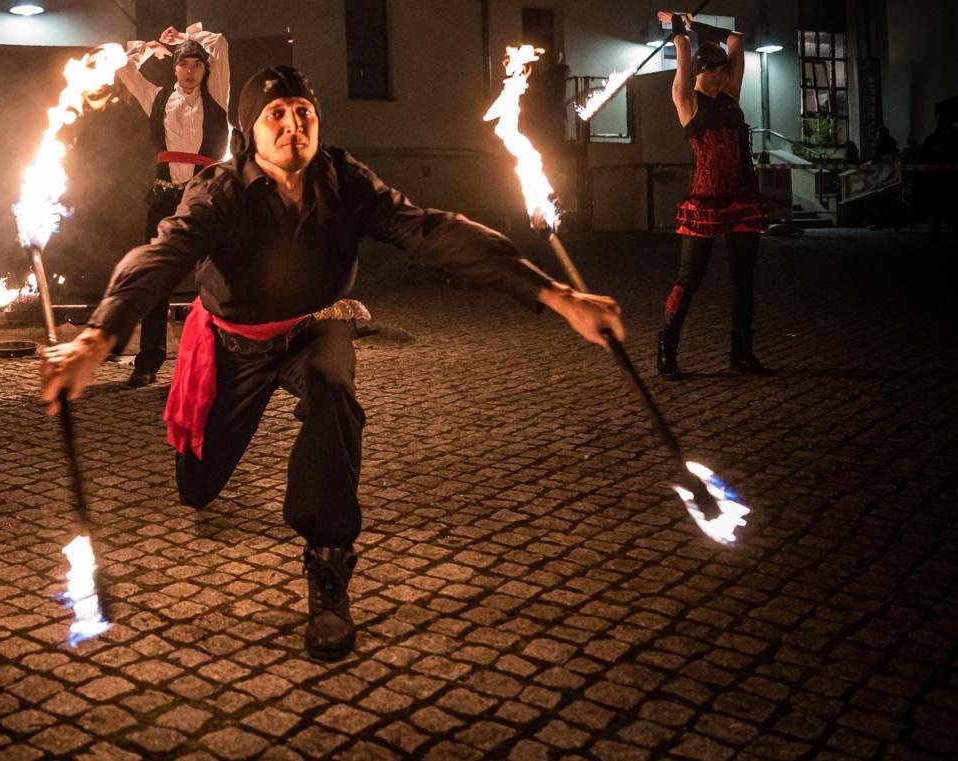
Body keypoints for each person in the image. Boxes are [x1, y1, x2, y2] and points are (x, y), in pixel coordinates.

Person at [39, 66, 625, 660]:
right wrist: (97, 337)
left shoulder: (345, 181)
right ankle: (205, 468)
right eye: (276, 114)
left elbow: (432, 230)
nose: (293, 124)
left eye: (303, 112)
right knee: (196, 487)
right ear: (249, 130)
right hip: (233, 343)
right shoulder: (220, 190)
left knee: (333, 395)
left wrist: (556, 294)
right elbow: (160, 256)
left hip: (315, 327)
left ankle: (327, 562)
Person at [111, 24, 231, 387]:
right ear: (175, 68)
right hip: (164, 197)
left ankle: (218, 361)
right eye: (184, 64)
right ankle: (148, 361)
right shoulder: (157, 97)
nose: (191, 71)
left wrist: (184, 37)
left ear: (206, 69)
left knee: (215, 279)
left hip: (205, 197)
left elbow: (220, 43)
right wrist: (148, 49)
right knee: (156, 278)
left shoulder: (217, 96)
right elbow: (122, 66)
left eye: (197, 64)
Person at [655, 13, 772, 380]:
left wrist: (697, 22)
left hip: (741, 198)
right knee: (689, 278)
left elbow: (737, 38)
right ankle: (666, 349)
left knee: (744, 278)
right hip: (704, 202)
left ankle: (741, 353)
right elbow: (683, 48)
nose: (722, 75)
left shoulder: (730, 96)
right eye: (714, 70)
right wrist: (678, 28)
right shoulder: (687, 100)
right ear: (699, 71)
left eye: (724, 69)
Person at [918, 114, 958, 243]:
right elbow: (923, 158)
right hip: (944, 180)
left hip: (947, 180)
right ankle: (943, 234)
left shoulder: (936, 139)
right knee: (943, 208)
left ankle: (944, 234)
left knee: (949, 208)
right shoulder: (936, 140)